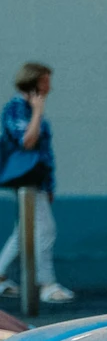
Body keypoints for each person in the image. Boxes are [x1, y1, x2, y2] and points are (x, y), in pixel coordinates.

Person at [0, 63, 72, 305]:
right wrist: (38, 111)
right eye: (45, 80)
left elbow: (44, 152)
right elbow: (27, 142)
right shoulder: (17, 108)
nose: (49, 85)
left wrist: (49, 185)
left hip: (37, 181)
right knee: (46, 231)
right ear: (34, 81)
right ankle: (46, 284)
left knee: (23, 233)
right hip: (25, 179)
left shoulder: (29, 107)